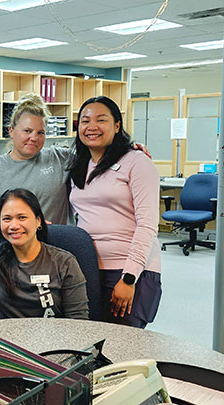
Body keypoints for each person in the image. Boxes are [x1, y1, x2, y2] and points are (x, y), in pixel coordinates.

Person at [68, 96, 162, 329]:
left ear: (117, 125)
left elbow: (148, 224)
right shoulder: (79, 164)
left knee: (124, 347)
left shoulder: (137, 162)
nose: (91, 127)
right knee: (93, 344)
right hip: (88, 267)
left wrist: (129, 278)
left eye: (101, 120)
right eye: (85, 121)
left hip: (128, 269)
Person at [0, 188, 89, 321]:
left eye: (22, 217)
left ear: (38, 221)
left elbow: (78, 319)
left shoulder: (64, 262)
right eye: (6, 219)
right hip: (5, 338)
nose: (13, 226)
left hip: (54, 338)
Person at [0, 93, 72, 231]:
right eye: (27, 131)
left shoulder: (59, 158)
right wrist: (14, 222)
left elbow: (93, 155)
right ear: (11, 131)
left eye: (40, 132)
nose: (34, 138)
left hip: (54, 246)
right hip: (10, 248)